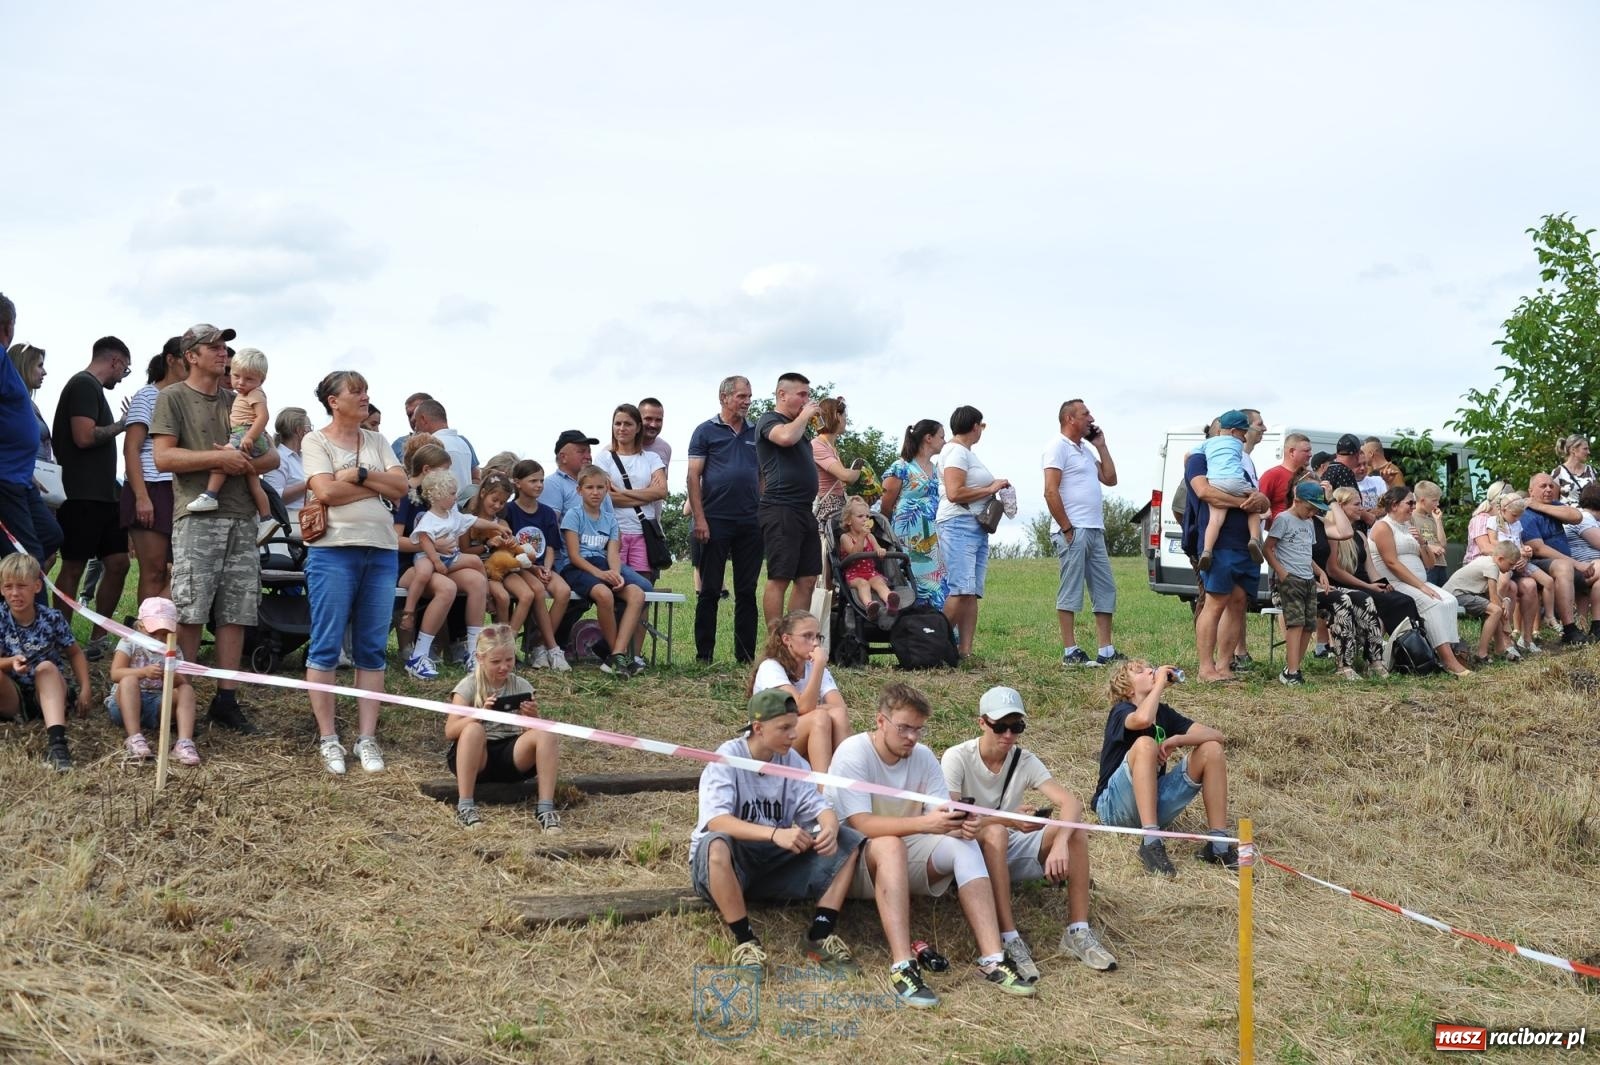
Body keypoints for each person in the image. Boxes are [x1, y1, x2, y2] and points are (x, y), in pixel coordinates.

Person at [826, 683, 1036, 998]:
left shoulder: (923, 757)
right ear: (880, 721)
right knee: (890, 844)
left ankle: (992, 959)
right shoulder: (854, 752)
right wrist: (929, 823)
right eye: (904, 728)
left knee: (962, 844)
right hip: (852, 862)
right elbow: (862, 825)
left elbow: (940, 813)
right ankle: (902, 966)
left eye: (918, 729)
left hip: (904, 855)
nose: (912, 737)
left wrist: (958, 826)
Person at [691, 688, 875, 974]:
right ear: (758, 728)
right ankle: (745, 940)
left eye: (795, 726)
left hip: (773, 859)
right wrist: (775, 834)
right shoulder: (727, 757)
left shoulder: (791, 761)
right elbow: (717, 821)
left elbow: (819, 804)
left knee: (847, 839)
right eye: (785, 728)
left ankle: (820, 934)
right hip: (730, 862)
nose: (793, 735)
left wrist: (827, 825)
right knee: (717, 844)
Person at [151, 324, 279, 733]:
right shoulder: (172, 397)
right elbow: (163, 458)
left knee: (236, 612)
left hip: (242, 517)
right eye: (215, 347)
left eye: (225, 347)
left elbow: (272, 457)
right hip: (197, 515)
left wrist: (243, 464)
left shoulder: (239, 396)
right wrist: (218, 461)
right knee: (190, 609)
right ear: (192, 355)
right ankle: (181, 694)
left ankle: (226, 699)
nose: (224, 353)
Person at [942, 686, 1118, 977]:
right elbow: (953, 818)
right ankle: (1008, 937)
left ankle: (1078, 930)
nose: (1008, 735)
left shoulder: (1023, 759)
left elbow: (1070, 803)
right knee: (997, 832)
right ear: (981, 723)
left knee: (1075, 833)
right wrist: (1008, 820)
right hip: (969, 850)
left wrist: (1060, 842)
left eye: (1016, 727)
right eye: (1000, 726)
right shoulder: (957, 757)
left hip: (1008, 844)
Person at [300, 370, 408, 773]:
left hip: (381, 551)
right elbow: (325, 492)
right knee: (326, 644)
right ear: (334, 400)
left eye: (366, 390)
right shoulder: (315, 440)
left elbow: (402, 487)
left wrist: (361, 476)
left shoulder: (378, 440)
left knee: (372, 648)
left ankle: (367, 739)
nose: (365, 397)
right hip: (333, 551)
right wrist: (379, 485)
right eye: (357, 391)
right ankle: (329, 738)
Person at [1091, 659, 1237, 877]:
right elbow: (1142, 720)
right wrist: (1159, 684)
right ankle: (1151, 842)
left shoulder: (1164, 713)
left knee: (1212, 749)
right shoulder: (1121, 711)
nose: (1151, 670)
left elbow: (1217, 736)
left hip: (1152, 803)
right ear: (1128, 689)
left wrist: (1179, 739)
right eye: (1140, 671)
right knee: (1145, 744)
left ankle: (1219, 845)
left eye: (1151, 667)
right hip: (1113, 808)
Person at [51, 335, 133, 659]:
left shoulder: (94, 390)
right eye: (124, 370)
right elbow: (84, 437)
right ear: (114, 361)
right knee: (73, 567)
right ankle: (59, 642)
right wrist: (122, 425)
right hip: (81, 495)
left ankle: (98, 640)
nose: (121, 376)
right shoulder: (84, 385)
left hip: (105, 497)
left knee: (119, 563)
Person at [446, 623, 562, 831]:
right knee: (473, 730)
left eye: (509, 660)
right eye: (496, 661)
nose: (504, 667)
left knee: (546, 733)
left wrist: (532, 718)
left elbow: (531, 735)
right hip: (476, 755)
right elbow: (451, 731)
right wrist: (480, 715)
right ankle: (465, 806)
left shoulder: (522, 685)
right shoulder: (468, 686)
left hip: (511, 753)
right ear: (480, 659)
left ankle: (545, 808)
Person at [394, 439, 489, 678]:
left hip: (442, 561)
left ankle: (473, 652)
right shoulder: (405, 496)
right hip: (409, 565)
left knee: (477, 581)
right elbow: (395, 540)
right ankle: (419, 656)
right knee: (446, 588)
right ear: (427, 470)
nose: (448, 476)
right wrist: (432, 545)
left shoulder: (441, 494)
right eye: (444, 470)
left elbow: (461, 523)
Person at [1182, 428, 1270, 682]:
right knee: (1215, 601)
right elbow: (1204, 492)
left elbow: (1261, 501)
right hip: (1218, 543)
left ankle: (1224, 665)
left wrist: (1260, 500)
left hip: (1246, 544)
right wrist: (1244, 502)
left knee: (1239, 602)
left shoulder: (1238, 466)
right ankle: (1205, 669)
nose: (1240, 441)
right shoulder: (1200, 459)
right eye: (1238, 435)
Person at [687, 377, 762, 663]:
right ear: (724, 397)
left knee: (746, 590)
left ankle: (745, 657)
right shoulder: (705, 431)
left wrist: (762, 509)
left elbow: (763, 475)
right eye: (742, 396)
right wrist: (700, 518)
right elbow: (693, 476)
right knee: (709, 590)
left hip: (750, 521)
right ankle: (704, 655)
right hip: (715, 519)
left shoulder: (757, 432)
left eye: (749, 396)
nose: (747, 401)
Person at [1043, 398, 1122, 667]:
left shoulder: (1086, 451)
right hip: (1073, 530)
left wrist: (1101, 446)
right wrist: (1067, 528)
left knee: (1105, 589)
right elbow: (1050, 490)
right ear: (1070, 419)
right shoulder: (1057, 447)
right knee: (1071, 589)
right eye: (1085, 413)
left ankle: (1106, 651)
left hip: (1094, 529)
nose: (1091, 418)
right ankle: (1070, 652)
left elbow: (1110, 479)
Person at [1369, 486, 1472, 675]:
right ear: (1394, 505)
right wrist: (1421, 587)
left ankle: (1446, 652)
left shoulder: (1409, 527)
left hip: (1419, 582)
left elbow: (1430, 563)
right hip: (1396, 582)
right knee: (1435, 605)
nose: (1413, 507)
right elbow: (1391, 562)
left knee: (1450, 601)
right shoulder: (1383, 526)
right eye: (1409, 503)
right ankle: (1448, 660)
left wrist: (1424, 543)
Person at [0, 552, 89, 770]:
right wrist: (10, 662)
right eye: (8, 586)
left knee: (46, 668)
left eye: (21, 586)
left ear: (37, 587)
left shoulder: (52, 617)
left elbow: (75, 653)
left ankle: (58, 746)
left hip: (49, 692)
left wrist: (86, 688)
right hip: (16, 697)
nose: (14, 593)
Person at [560, 464, 651, 677]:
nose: (595, 492)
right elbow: (574, 555)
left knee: (637, 593)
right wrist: (600, 575)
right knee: (604, 594)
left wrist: (616, 573)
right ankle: (616, 655)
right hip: (577, 568)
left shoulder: (610, 519)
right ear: (579, 490)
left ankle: (617, 654)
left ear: (606, 489)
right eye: (589, 487)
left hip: (601, 565)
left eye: (600, 487)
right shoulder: (574, 515)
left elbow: (612, 553)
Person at [937, 406, 1009, 660]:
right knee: (961, 588)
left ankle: (964, 651)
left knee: (972, 590)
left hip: (975, 526)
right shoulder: (956, 452)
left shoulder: (965, 453)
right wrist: (991, 487)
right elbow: (955, 493)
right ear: (975, 426)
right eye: (982, 426)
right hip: (958, 524)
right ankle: (934, 646)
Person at [121, 340, 188, 602]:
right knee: (154, 572)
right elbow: (131, 449)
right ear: (171, 360)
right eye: (186, 357)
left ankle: (163, 636)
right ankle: (144, 640)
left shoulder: (186, 399)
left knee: (180, 572)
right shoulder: (148, 396)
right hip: (151, 486)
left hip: (179, 489)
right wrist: (141, 496)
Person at [756, 372, 823, 630]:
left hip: (804, 510)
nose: (807, 400)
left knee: (807, 578)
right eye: (802, 395)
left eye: (808, 394)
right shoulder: (769, 420)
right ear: (782, 395)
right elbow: (784, 437)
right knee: (780, 576)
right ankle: (775, 642)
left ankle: (796, 639)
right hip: (780, 507)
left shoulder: (800, 428)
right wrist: (806, 415)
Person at [0, 297, 64, 564]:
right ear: (9, 324)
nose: (44, 372)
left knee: (50, 536)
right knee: (28, 557)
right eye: (39, 365)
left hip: (21, 477)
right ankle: (31, 606)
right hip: (5, 478)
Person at [749, 609, 851, 773]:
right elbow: (801, 707)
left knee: (837, 716)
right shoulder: (771, 667)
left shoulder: (814, 667)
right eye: (807, 636)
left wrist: (809, 709)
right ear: (787, 639)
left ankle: (844, 782)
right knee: (819, 718)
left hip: (796, 736)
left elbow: (840, 708)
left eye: (817, 636)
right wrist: (819, 665)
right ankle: (823, 791)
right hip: (768, 742)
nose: (816, 643)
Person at [106, 596, 199, 765]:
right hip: (124, 702)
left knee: (187, 690)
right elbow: (115, 674)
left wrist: (172, 677)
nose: (159, 639)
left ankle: (184, 743)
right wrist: (143, 672)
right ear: (140, 626)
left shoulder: (173, 649)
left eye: (165, 634)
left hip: (158, 705)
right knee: (129, 680)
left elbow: (181, 683)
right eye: (153, 633)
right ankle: (134, 738)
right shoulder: (129, 642)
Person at [401, 470, 491, 643]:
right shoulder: (429, 518)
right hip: (426, 556)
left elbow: (473, 520)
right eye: (452, 493)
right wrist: (435, 560)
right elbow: (425, 541)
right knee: (424, 574)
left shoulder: (453, 515)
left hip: (449, 558)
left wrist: (496, 527)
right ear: (437, 495)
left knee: (474, 561)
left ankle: (487, 596)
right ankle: (409, 611)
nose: (456, 497)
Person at [188, 347, 271, 517]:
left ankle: (210, 495)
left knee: (222, 460)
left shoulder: (255, 393)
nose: (240, 382)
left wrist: (249, 437)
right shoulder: (245, 393)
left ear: (261, 380)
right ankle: (266, 517)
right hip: (246, 434)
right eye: (236, 376)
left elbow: (263, 417)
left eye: (248, 379)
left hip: (245, 433)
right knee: (254, 482)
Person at [504, 460, 572, 671]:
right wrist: (533, 568)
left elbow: (551, 546)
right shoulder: (508, 511)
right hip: (519, 566)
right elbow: (509, 550)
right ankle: (551, 648)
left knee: (563, 591)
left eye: (541, 480)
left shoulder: (547, 512)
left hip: (542, 565)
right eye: (533, 480)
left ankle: (539, 645)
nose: (539, 485)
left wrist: (548, 568)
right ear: (517, 483)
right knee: (538, 591)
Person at [1264, 483, 1332, 687]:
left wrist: (1320, 572)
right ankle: (1292, 671)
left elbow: (1306, 554)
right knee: (1296, 623)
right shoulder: (1283, 519)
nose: (1312, 512)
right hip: (1290, 579)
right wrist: (1282, 573)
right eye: (1309, 507)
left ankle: (1293, 667)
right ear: (1297, 500)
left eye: (1316, 509)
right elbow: (1267, 548)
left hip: (1307, 579)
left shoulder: (1309, 523)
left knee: (1309, 625)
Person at [879, 420, 948, 610]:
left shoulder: (937, 470)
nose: (945, 441)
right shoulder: (902, 467)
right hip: (907, 536)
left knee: (937, 581)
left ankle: (935, 629)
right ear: (928, 438)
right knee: (910, 579)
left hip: (932, 538)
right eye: (941, 437)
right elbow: (885, 504)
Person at [1522, 472, 1597, 645]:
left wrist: (1541, 506)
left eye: (1551, 486)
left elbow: (1577, 517)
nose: (1548, 489)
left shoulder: (1552, 507)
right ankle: (1569, 629)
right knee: (1564, 567)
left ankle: (1596, 626)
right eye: (1543, 486)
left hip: (1568, 566)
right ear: (1530, 491)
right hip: (1537, 566)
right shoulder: (1525, 514)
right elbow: (1539, 548)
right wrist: (1577, 563)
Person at [598, 403, 668, 579]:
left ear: (638, 428)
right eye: (618, 423)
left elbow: (661, 492)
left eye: (627, 424)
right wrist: (646, 494)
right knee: (615, 585)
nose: (622, 428)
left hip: (644, 533)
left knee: (643, 587)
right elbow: (605, 497)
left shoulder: (652, 458)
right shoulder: (604, 458)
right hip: (614, 532)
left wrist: (621, 494)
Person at [1195, 410, 1264, 573]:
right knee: (1254, 506)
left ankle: (1207, 550)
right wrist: (1249, 500)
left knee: (1215, 520)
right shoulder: (1238, 445)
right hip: (1235, 480)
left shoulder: (1208, 444)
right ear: (1234, 432)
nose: (1245, 437)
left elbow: (1188, 456)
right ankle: (1254, 539)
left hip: (1215, 482)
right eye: (1243, 433)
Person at [1444, 541, 1519, 664]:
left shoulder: (1487, 560)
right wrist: (1506, 624)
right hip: (1456, 595)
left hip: (1459, 594)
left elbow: (1492, 594)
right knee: (1496, 611)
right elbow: (1494, 599)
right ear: (1500, 558)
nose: (1511, 568)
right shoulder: (1492, 567)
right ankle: (1481, 654)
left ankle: (1499, 649)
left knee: (1495, 610)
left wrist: (1505, 600)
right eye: (1510, 564)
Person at [810, 396, 864, 533]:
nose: (846, 420)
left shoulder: (829, 446)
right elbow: (846, 476)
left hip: (839, 505)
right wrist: (859, 467)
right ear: (837, 416)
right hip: (829, 511)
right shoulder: (817, 445)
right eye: (844, 415)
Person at [837, 496, 897, 620]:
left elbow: (877, 548)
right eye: (860, 517)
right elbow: (854, 554)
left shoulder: (870, 537)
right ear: (849, 521)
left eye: (867, 516)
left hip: (870, 572)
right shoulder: (845, 538)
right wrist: (861, 537)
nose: (865, 519)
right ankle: (869, 605)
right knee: (863, 584)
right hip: (854, 574)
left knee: (879, 582)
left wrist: (880, 551)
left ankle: (891, 601)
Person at [409, 399, 479, 504]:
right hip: (462, 508)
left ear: (423, 419)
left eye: (416, 422)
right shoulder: (463, 443)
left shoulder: (431, 445)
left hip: (440, 508)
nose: (415, 428)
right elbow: (475, 477)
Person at [262, 407, 313, 527]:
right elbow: (275, 498)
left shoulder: (305, 457)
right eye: (309, 428)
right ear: (300, 431)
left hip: (312, 521)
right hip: (292, 526)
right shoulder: (278, 458)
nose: (312, 433)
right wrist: (311, 483)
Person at [1565, 482, 1600, 638]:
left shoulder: (1590, 519)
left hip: (1589, 568)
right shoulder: (1585, 518)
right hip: (1581, 569)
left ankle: (1591, 626)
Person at [1258, 432, 1311, 520]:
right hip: (1278, 531)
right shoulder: (1272, 475)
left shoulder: (1309, 476)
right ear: (1292, 452)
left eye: (1310, 450)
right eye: (1306, 451)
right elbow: (1259, 505)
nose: (1310, 454)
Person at [1412, 480, 1449, 586]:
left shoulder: (1433, 517)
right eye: (1434, 501)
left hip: (1441, 563)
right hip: (1426, 565)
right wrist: (1430, 547)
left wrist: (1438, 521)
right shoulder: (1411, 517)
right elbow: (1411, 540)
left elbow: (1442, 543)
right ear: (1423, 501)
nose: (1437, 504)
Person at [1552, 434, 1595, 509]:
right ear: (1573, 450)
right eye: (1585, 449)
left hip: (1591, 518)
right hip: (1567, 518)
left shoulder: (1590, 470)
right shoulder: (1558, 472)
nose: (1588, 452)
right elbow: (1553, 502)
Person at [639, 397, 671, 467]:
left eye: (658, 420)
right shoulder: (617, 449)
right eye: (648, 419)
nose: (653, 425)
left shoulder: (665, 448)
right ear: (638, 419)